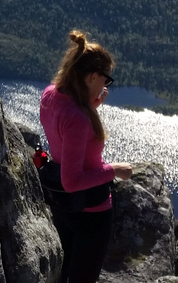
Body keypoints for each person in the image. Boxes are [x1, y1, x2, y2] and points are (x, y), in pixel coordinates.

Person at [40, 30, 134, 283]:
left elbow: (62, 133)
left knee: (62, 272)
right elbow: (72, 180)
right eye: (106, 80)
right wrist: (114, 170)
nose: (105, 86)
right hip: (92, 211)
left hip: (62, 207)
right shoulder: (78, 119)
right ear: (93, 76)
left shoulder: (50, 95)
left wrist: (90, 107)